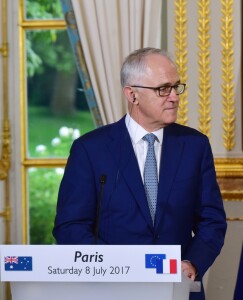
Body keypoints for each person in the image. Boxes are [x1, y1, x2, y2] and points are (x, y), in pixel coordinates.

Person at [53, 47, 227, 300]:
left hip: (176, 290)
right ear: (132, 95)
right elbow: (70, 226)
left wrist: (192, 264)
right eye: (162, 89)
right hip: (111, 291)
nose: (174, 98)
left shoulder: (194, 145)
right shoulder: (90, 149)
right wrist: (114, 268)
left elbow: (212, 221)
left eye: (176, 87)